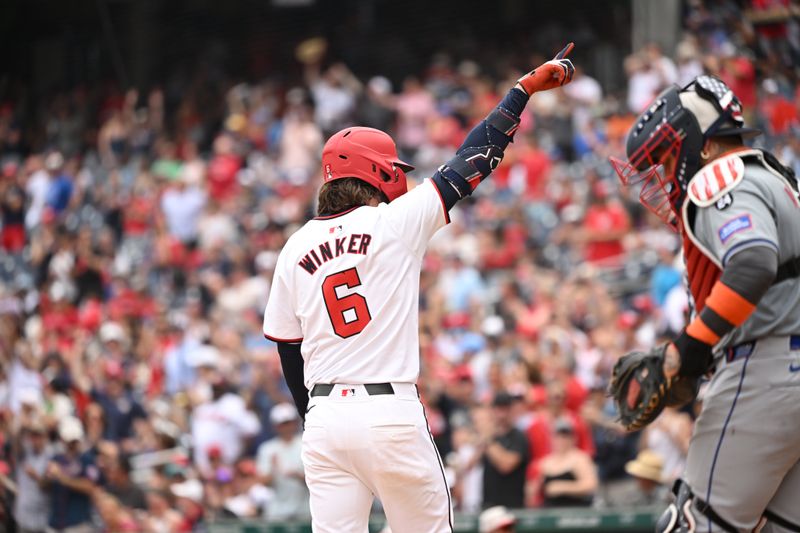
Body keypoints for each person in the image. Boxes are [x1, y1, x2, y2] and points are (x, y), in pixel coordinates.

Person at [263, 44, 575, 532]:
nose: (399, 179)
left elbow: (287, 349)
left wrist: (315, 418)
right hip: (389, 412)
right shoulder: (394, 222)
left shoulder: (293, 247)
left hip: (324, 417)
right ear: (374, 172)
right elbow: (474, 159)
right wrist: (522, 91)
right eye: (393, 170)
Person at [611, 74, 800, 531]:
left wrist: (689, 347)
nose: (660, 172)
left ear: (702, 141)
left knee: (692, 524)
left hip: (767, 372)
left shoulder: (720, 175)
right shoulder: (779, 179)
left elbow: (753, 263)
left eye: (665, 155)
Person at [255, 403, 309, 521]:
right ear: (275, 426)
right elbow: (263, 482)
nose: (286, 427)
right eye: (282, 424)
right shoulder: (267, 449)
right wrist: (273, 469)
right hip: (278, 512)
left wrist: (298, 476)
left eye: (289, 422)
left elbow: (317, 479)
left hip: (305, 510)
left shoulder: (306, 443)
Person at [479, 392, 530, 510]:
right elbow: (469, 466)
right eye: (498, 409)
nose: (501, 414)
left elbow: (506, 465)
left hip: (512, 505)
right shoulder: (489, 434)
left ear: (512, 411)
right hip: (488, 505)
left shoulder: (519, 436)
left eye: (505, 409)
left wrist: (488, 440)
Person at [533, 417, 597, 508]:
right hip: (551, 511)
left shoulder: (580, 458)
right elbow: (537, 490)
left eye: (565, 436)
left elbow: (590, 485)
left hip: (575, 510)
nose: (561, 440)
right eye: (557, 436)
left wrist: (562, 487)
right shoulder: (545, 462)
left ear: (573, 438)